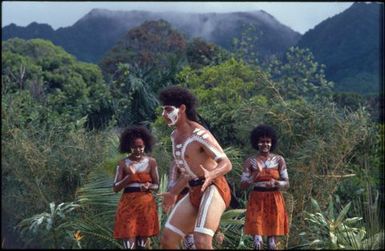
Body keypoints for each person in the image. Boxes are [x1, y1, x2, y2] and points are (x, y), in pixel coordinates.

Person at [158, 85, 232, 249]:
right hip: (194, 190)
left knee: (202, 240)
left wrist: (211, 175)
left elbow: (226, 163)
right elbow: (187, 172)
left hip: (214, 187)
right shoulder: (174, 136)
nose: (164, 115)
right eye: (163, 110)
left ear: (182, 109)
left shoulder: (200, 135)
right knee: (168, 239)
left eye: (168, 110)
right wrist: (173, 193)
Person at [241, 124, 289, 250]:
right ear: (257, 142)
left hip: (274, 199)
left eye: (268, 141)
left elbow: (287, 183)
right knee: (258, 242)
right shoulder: (251, 162)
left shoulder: (279, 160)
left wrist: (277, 183)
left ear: (272, 143)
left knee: (272, 244)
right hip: (257, 200)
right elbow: (243, 185)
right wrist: (255, 175)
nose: (265, 144)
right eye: (262, 141)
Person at [113, 126, 160, 249]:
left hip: (146, 205)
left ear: (145, 145)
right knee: (129, 243)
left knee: (142, 245)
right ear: (129, 147)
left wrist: (149, 186)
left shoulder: (151, 162)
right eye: (134, 147)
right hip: (128, 205)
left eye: (141, 147)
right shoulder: (123, 164)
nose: (138, 150)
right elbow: (115, 188)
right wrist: (130, 176)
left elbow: (157, 185)